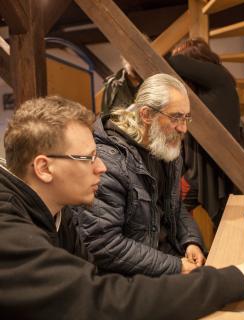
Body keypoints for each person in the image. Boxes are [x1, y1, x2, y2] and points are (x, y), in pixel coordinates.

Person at [0, 95, 244, 319]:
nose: (102, 168)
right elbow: (99, 301)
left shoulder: (58, 210)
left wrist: (192, 243)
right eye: (88, 158)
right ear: (43, 168)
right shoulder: (9, 233)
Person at [75, 73, 206, 277]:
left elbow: (174, 207)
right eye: (176, 117)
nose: (184, 128)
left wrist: (191, 240)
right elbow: (104, 244)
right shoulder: (108, 162)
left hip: (164, 259)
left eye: (186, 117)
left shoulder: (164, 148)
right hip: (128, 278)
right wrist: (175, 266)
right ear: (146, 115)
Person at [168, 37, 241, 227]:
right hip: (196, 174)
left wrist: (180, 52)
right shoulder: (199, 95)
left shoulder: (220, 79)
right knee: (175, 217)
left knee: (225, 224)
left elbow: (176, 62)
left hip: (213, 174)